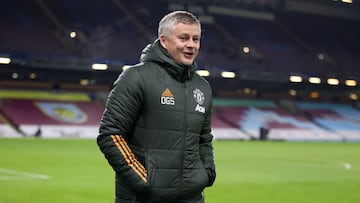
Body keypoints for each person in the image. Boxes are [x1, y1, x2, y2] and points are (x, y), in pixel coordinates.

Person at [97, 10, 216, 203]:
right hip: (144, 197)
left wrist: (207, 173)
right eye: (183, 38)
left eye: (196, 39)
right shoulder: (136, 77)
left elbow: (204, 138)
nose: (191, 45)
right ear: (164, 40)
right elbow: (110, 134)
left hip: (192, 198)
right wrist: (143, 181)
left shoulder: (202, 86)